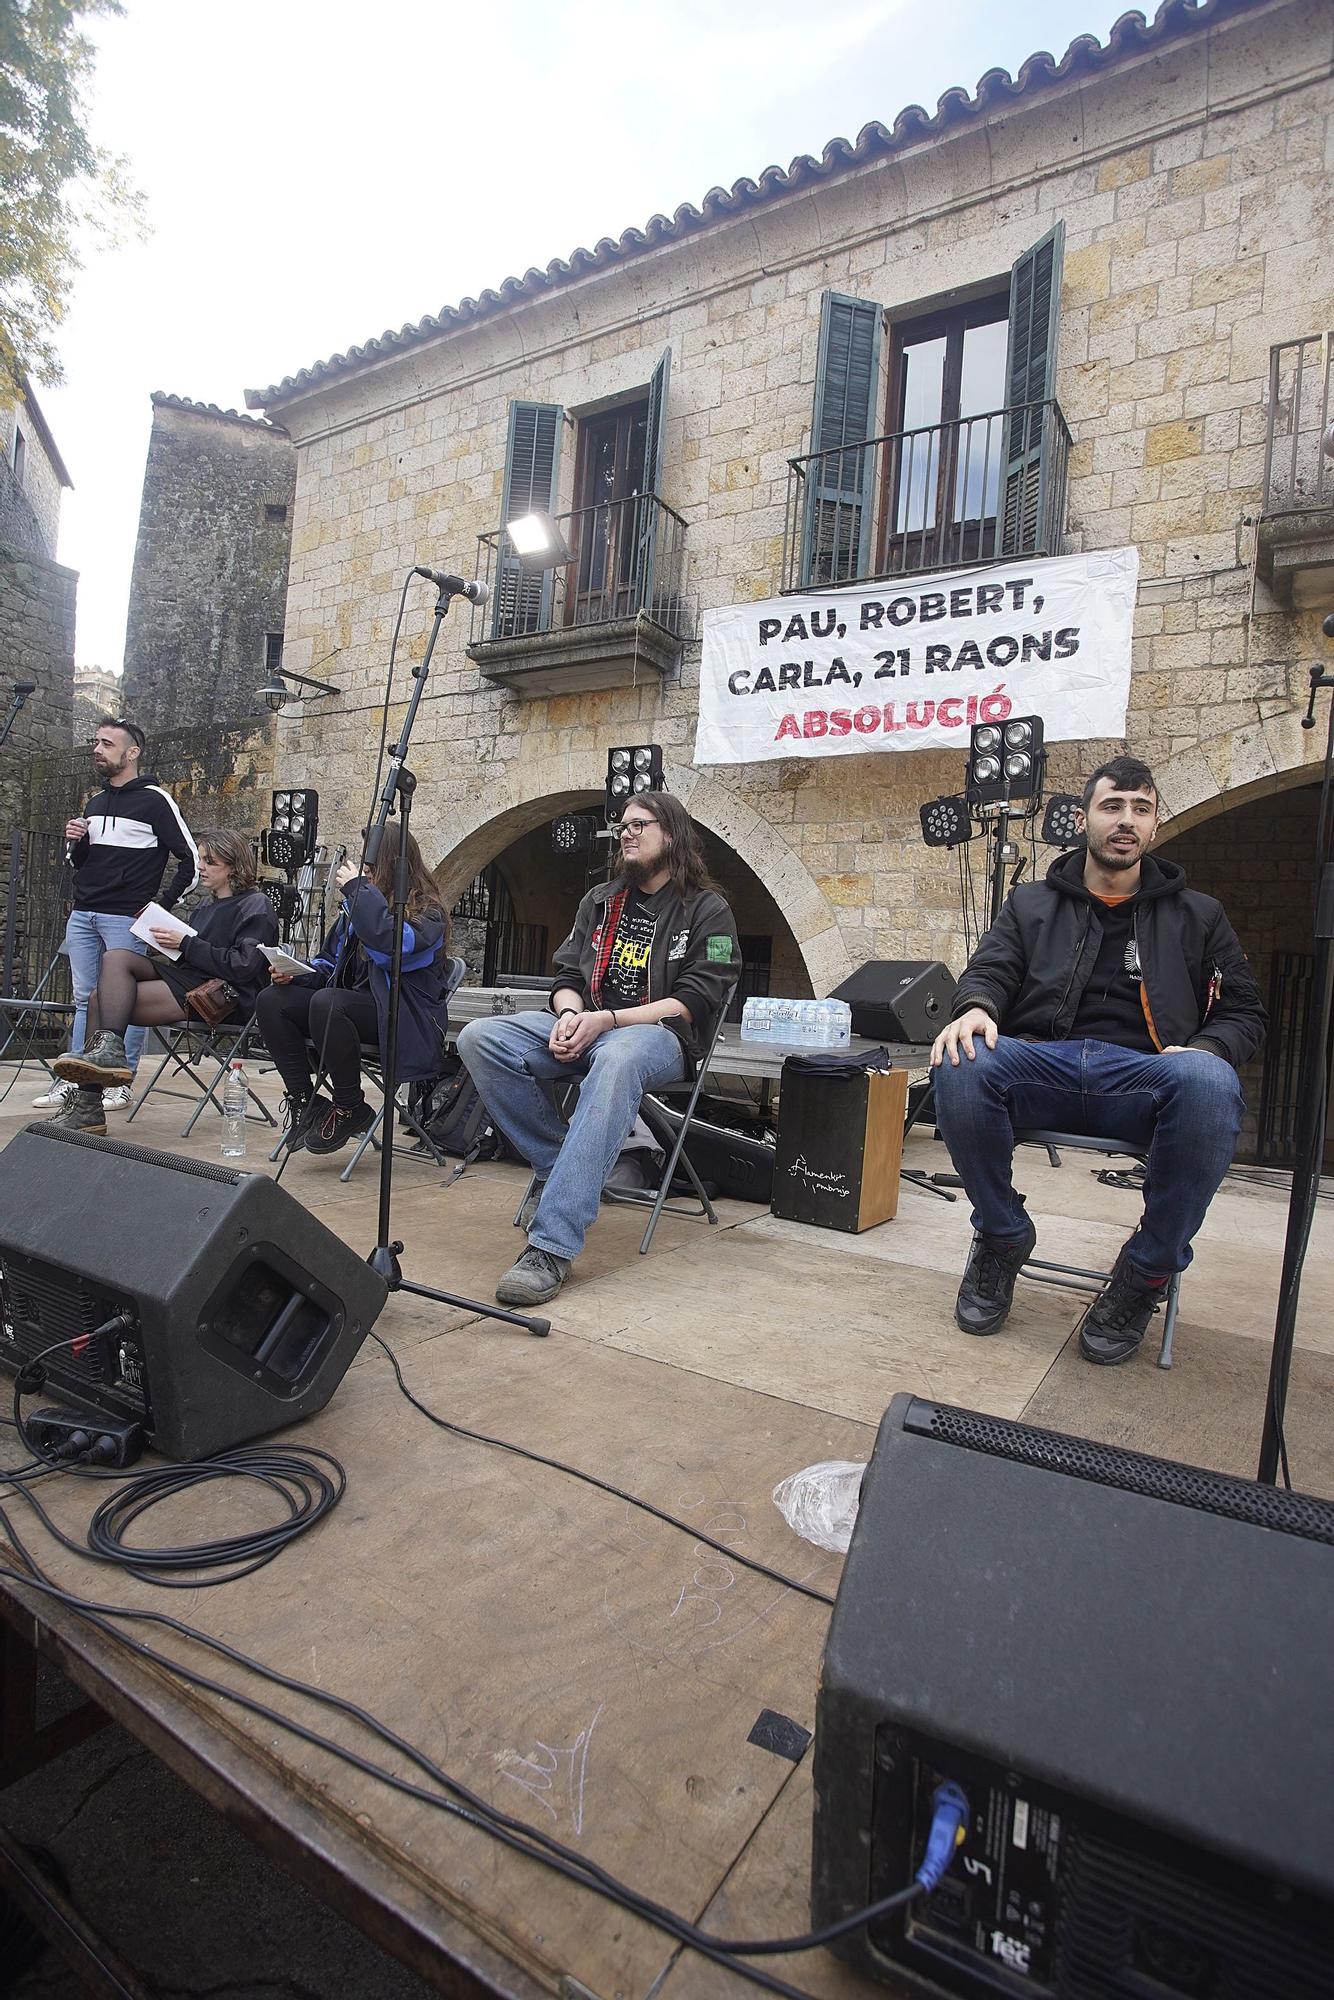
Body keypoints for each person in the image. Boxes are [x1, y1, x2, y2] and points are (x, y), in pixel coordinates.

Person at [929, 754, 1266, 1365]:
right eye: (1112, 806)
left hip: (1146, 1079)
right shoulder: (1030, 904)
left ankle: (1146, 1272)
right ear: (1082, 817)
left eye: (1141, 809)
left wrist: (1211, 1049)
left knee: (1210, 1081)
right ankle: (1002, 1234)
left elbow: (1245, 1012)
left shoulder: (1200, 914)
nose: (1125, 821)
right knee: (962, 1056)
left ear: (1155, 825)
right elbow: (990, 971)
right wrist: (975, 1005)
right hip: (1044, 1066)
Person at [458, 793, 739, 1309]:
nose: (625, 833)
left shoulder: (706, 908)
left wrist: (606, 1021)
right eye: (622, 826)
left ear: (671, 834)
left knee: (616, 1056)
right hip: (587, 1025)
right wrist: (569, 1016)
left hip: (656, 1037)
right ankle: (562, 1165)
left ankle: (551, 1245)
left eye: (639, 824)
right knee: (482, 1037)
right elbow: (566, 978)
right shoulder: (600, 901)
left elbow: (695, 1001)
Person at [47, 828, 277, 1135]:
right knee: (113, 962)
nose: (201, 867)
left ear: (234, 866)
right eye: (201, 859)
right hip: (194, 980)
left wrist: (185, 943)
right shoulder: (205, 907)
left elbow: (244, 967)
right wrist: (165, 941)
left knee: (100, 1001)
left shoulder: (256, 904)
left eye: (211, 861)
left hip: (225, 997)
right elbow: (192, 957)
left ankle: (88, 1102)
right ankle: (103, 1068)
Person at [37, 716, 199, 1114]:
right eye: (96, 742)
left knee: (118, 1001)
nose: (97, 749)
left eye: (107, 744)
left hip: (125, 917)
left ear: (132, 752)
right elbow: (80, 863)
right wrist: (79, 842)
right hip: (84, 913)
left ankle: (118, 1082)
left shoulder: (156, 800)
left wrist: (160, 906)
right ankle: (75, 1079)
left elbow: (190, 861)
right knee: (83, 999)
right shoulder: (94, 802)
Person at [253, 830, 450, 1155]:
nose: (364, 867)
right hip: (343, 1013)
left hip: (400, 1022)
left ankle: (349, 1106)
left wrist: (359, 894)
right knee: (273, 1001)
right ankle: (306, 1102)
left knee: (330, 1002)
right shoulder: (358, 912)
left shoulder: (429, 915)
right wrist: (295, 973)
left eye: (371, 861)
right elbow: (329, 964)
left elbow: (390, 949)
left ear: (394, 864)